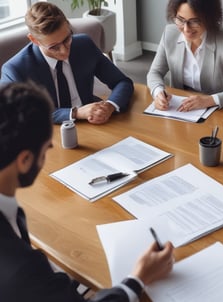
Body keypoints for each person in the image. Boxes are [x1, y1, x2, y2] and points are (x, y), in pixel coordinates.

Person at [0, 81, 174, 301]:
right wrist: (138, 278)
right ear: (24, 160)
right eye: (46, 148)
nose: (49, 151)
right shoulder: (25, 270)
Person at [0, 2, 134, 125]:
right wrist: (75, 113)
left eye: (67, 39)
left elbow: (122, 82)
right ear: (34, 40)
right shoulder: (15, 70)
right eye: (54, 47)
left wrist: (110, 105)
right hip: (50, 132)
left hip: (93, 122)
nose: (64, 51)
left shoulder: (83, 45)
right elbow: (17, 115)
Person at [147, 0, 223, 112]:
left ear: (209, 18)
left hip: (217, 110)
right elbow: (155, 72)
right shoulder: (169, 33)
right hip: (179, 109)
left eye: (194, 21)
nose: (186, 29)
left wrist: (207, 101)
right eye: (180, 20)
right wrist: (158, 93)